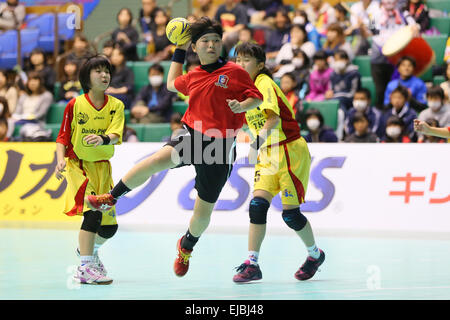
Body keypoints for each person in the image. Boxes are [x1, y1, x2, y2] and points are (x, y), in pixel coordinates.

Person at [84, 17, 263, 278]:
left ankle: (186, 246)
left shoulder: (235, 72)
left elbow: (255, 98)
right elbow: (171, 84)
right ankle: (111, 198)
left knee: (202, 215)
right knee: (154, 162)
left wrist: (242, 106)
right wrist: (178, 50)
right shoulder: (194, 75)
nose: (212, 45)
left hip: (220, 148)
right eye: (205, 41)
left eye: (216, 41)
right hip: (193, 136)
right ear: (195, 47)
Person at [232, 42, 324, 283]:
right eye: (238, 60)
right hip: (268, 152)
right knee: (257, 205)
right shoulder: (243, 90)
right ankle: (252, 263)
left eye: (246, 60)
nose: (241, 65)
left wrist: (254, 143)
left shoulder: (264, 84)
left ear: (260, 65)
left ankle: (315, 255)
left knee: (291, 215)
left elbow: (272, 120)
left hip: (289, 149)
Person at [54, 55, 125, 285]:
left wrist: (104, 139)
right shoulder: (74, 105)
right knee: (92, 213)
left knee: (109, 228)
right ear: (87, 77)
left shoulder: (116, 105)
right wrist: (60, 160)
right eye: (98, 71)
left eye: (107, 71)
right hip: (80, 167)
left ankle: (87, 251)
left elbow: (115, 135)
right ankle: (85, 267)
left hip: (103, 168)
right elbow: (62, 137)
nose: (104, 75)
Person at [369, 0, 419, 110]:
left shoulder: (403, 13)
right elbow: (370, 29)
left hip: (397, 59)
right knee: (381, 91)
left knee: (397, 90)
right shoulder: (374, 13)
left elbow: (414, 25)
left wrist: (415, 27)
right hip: (379, 58)